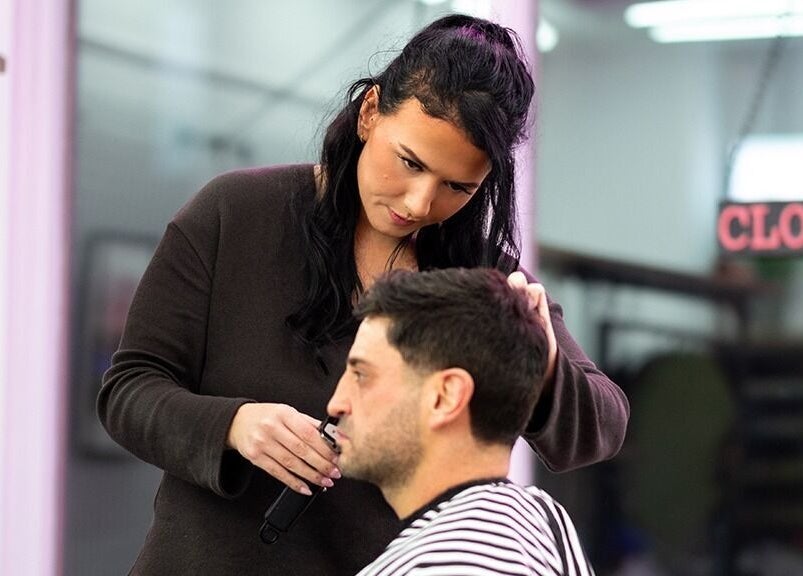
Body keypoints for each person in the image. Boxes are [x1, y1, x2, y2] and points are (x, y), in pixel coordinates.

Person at [98, 13, 627, 576]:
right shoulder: (233, 214)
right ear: (371, 111)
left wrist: (541, 360)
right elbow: (128, 390)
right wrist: (234, 425)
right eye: (410, 163)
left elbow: (603, 424)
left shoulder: (483, 280)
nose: (421, 204)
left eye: (458, 187)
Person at [328, 267, 595, 575]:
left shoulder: (447, 565)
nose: (337, 403)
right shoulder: (543, 525)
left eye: (362, 375)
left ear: (445, 396)